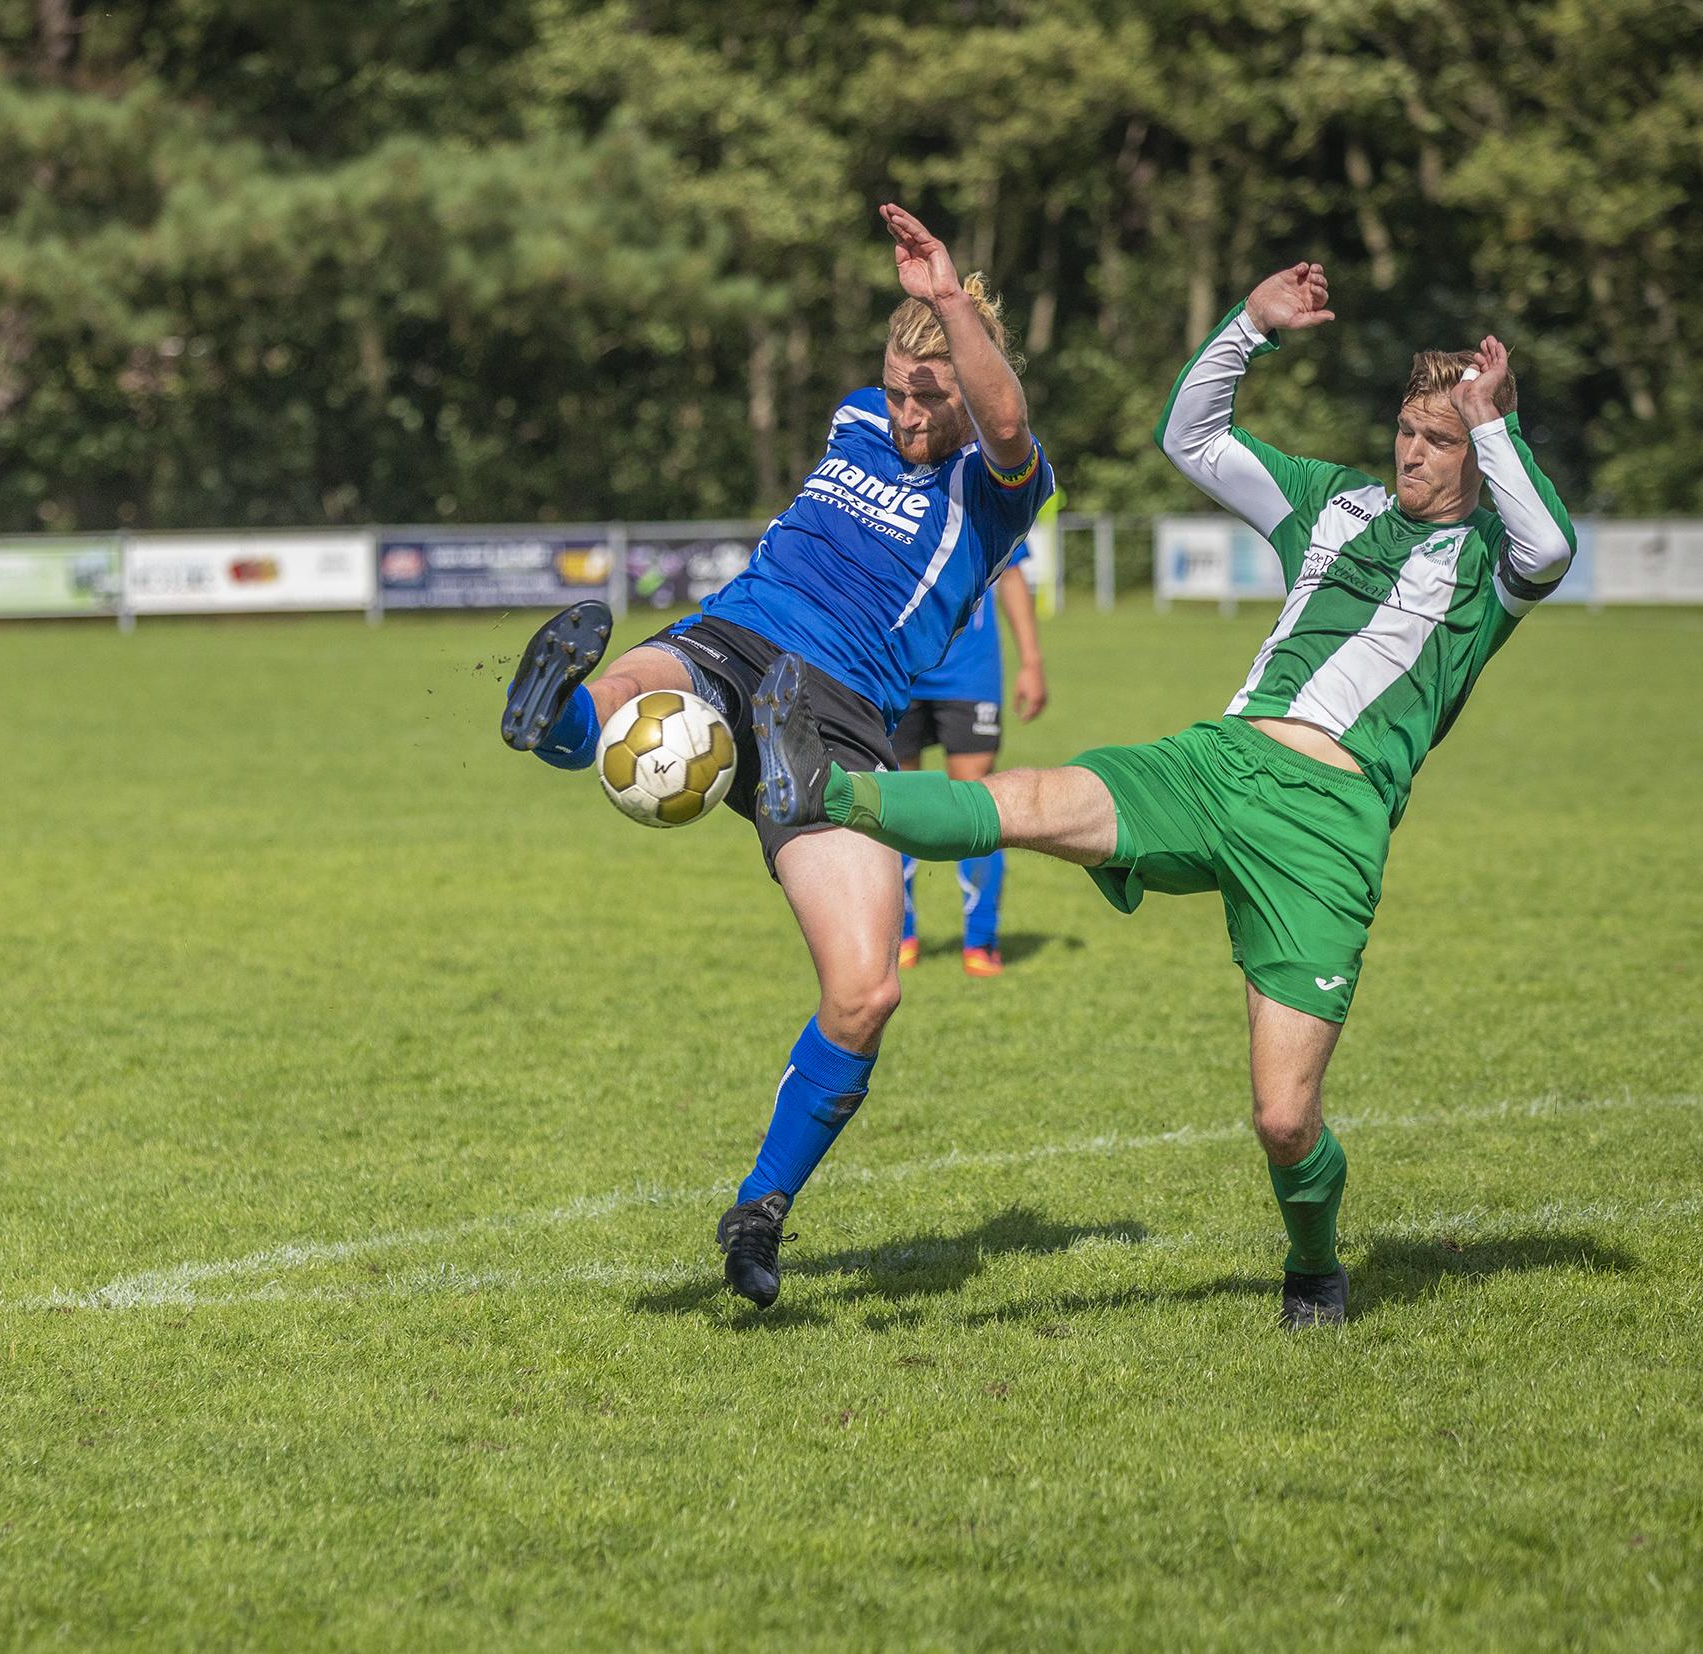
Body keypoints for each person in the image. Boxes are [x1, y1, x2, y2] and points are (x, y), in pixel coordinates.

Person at [758, 262, 1576, 1327]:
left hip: (1325, 828)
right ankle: (820, 789)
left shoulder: (1491, 561)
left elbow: (1553, 545)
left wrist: (1493, 422)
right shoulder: (1334, 504)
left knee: (1282, 1119)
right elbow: (1188, 439)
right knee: (1025, 801)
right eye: (1408, 432)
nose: (1412, 454)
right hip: (1213, 765)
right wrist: (1247, 326)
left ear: (1479, 448)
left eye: (1441, 439)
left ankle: (1312, 1264)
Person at [499, 205, 1055, 1308]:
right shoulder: (854, 417)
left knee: (865, 991)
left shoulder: (999, 487)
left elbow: (1002, 417)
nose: (902, 412)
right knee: (634, 695)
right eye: (894, 387)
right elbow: (899, 404)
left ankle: (757, 1212)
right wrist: (915, 345)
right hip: (738, 638)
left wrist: (950, 305)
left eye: (926, 395)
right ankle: (556, 714)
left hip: (835, 721)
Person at [893, 535, 1047, 975]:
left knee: (974, 804)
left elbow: (1012, 574)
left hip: (970, 674)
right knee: (896, 806)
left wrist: (1031, 662)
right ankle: (899, 934)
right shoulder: (888, 491)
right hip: (899, 670)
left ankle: (981, 940)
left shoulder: (982, 486)